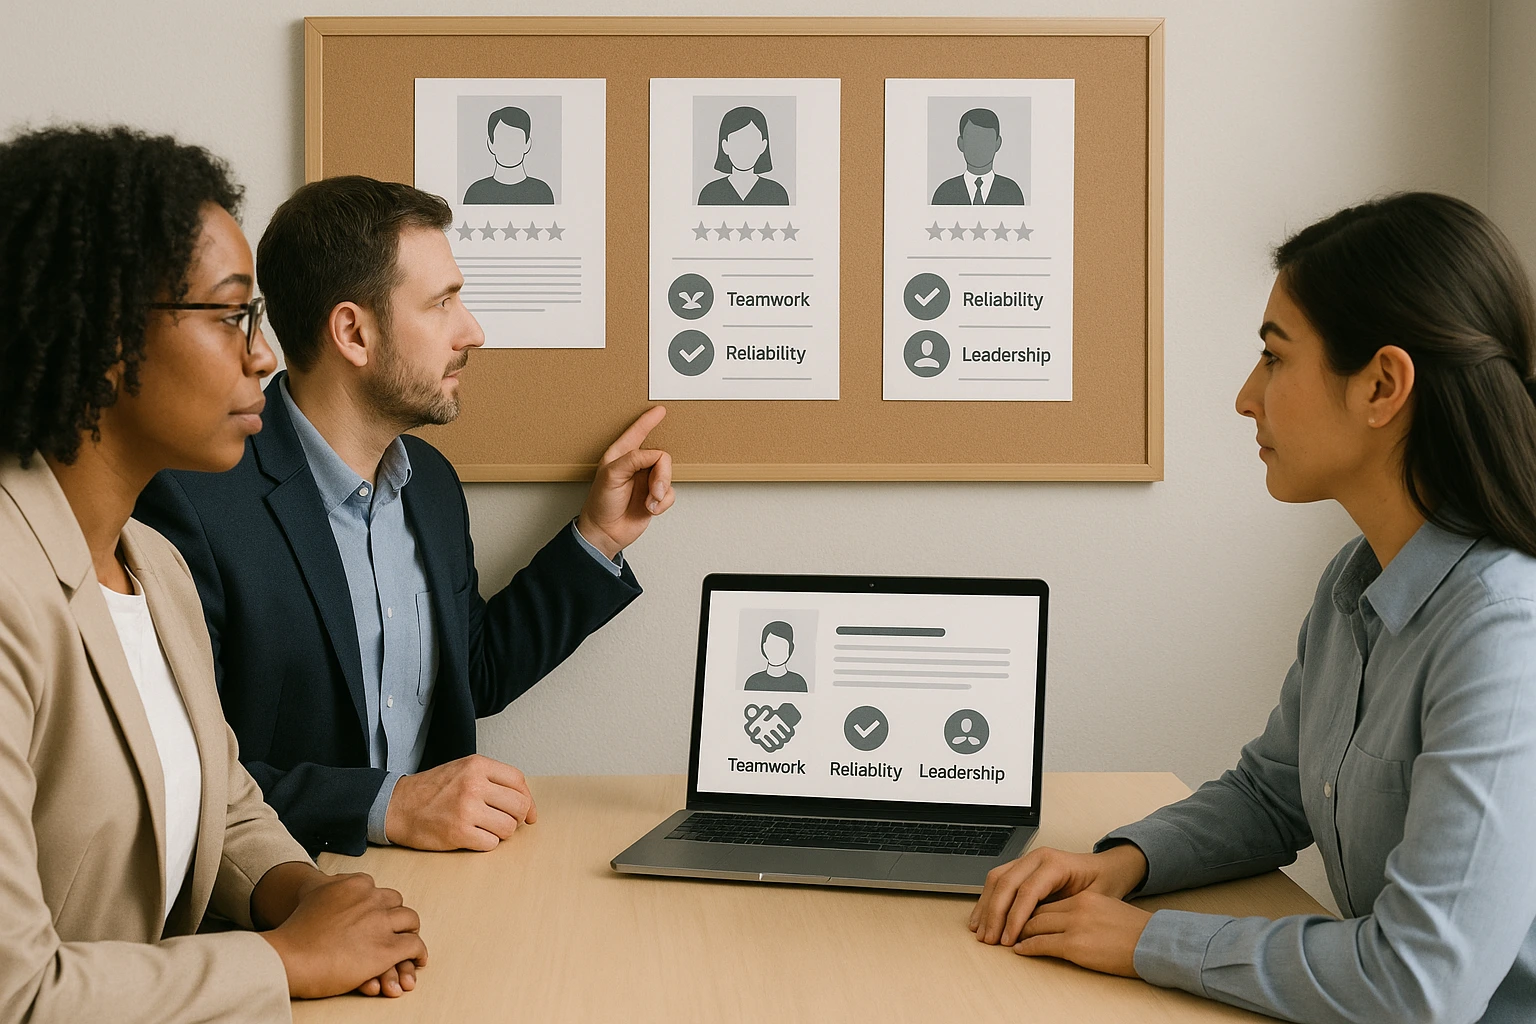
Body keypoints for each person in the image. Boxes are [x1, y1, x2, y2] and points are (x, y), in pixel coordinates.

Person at [969, 192, 1536, 1023]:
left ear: (1382, 384)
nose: (1246, 396)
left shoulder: (1501, 631)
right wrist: (1121, 862)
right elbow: (1274, 794)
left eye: (1274, 359)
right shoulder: (1356, 580)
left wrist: (1142, 942)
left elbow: (1419, 982)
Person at [0, 126, 429, 1021]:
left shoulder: (151, 561)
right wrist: (282, 960)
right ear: (104, 330)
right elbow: (16, 991)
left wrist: (302, 892)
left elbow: (221, 797)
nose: (265, 355)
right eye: (234, 315)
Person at [135, 175, 675, 858]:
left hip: (438, 889)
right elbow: (176, 767)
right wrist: (385, 805)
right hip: (285, 896)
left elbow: (469, 675)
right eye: (443, 303)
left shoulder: (431, 486)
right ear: (353, 333)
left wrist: (598, 537)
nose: (471, 330)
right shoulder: (193, 499)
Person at [697, 106, 790, 206]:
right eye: (737, 142)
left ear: (763, 146)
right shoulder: (710, 193)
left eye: (751, 142)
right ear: (725, 146)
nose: (744, 150)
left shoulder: (777, 193)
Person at [930, 108, 1026, 206]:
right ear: (960, 143)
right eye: (972, 138)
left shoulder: (1012, 192)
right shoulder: (944, 193)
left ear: (998, 143)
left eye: (986, 139)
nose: (979, 146)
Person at [462, 106, 554, 205]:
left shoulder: (542, 192)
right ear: (490, 144)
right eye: (503, 140)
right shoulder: (475, 193)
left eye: (515, 140)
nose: (509, 147)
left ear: (527, 144)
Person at [744, 620, 808, 692]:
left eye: (781, 646)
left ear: (790, 648)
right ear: (764, 647)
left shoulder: (798, 683)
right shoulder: (753, 682)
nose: (776, 651)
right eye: (772, 645)